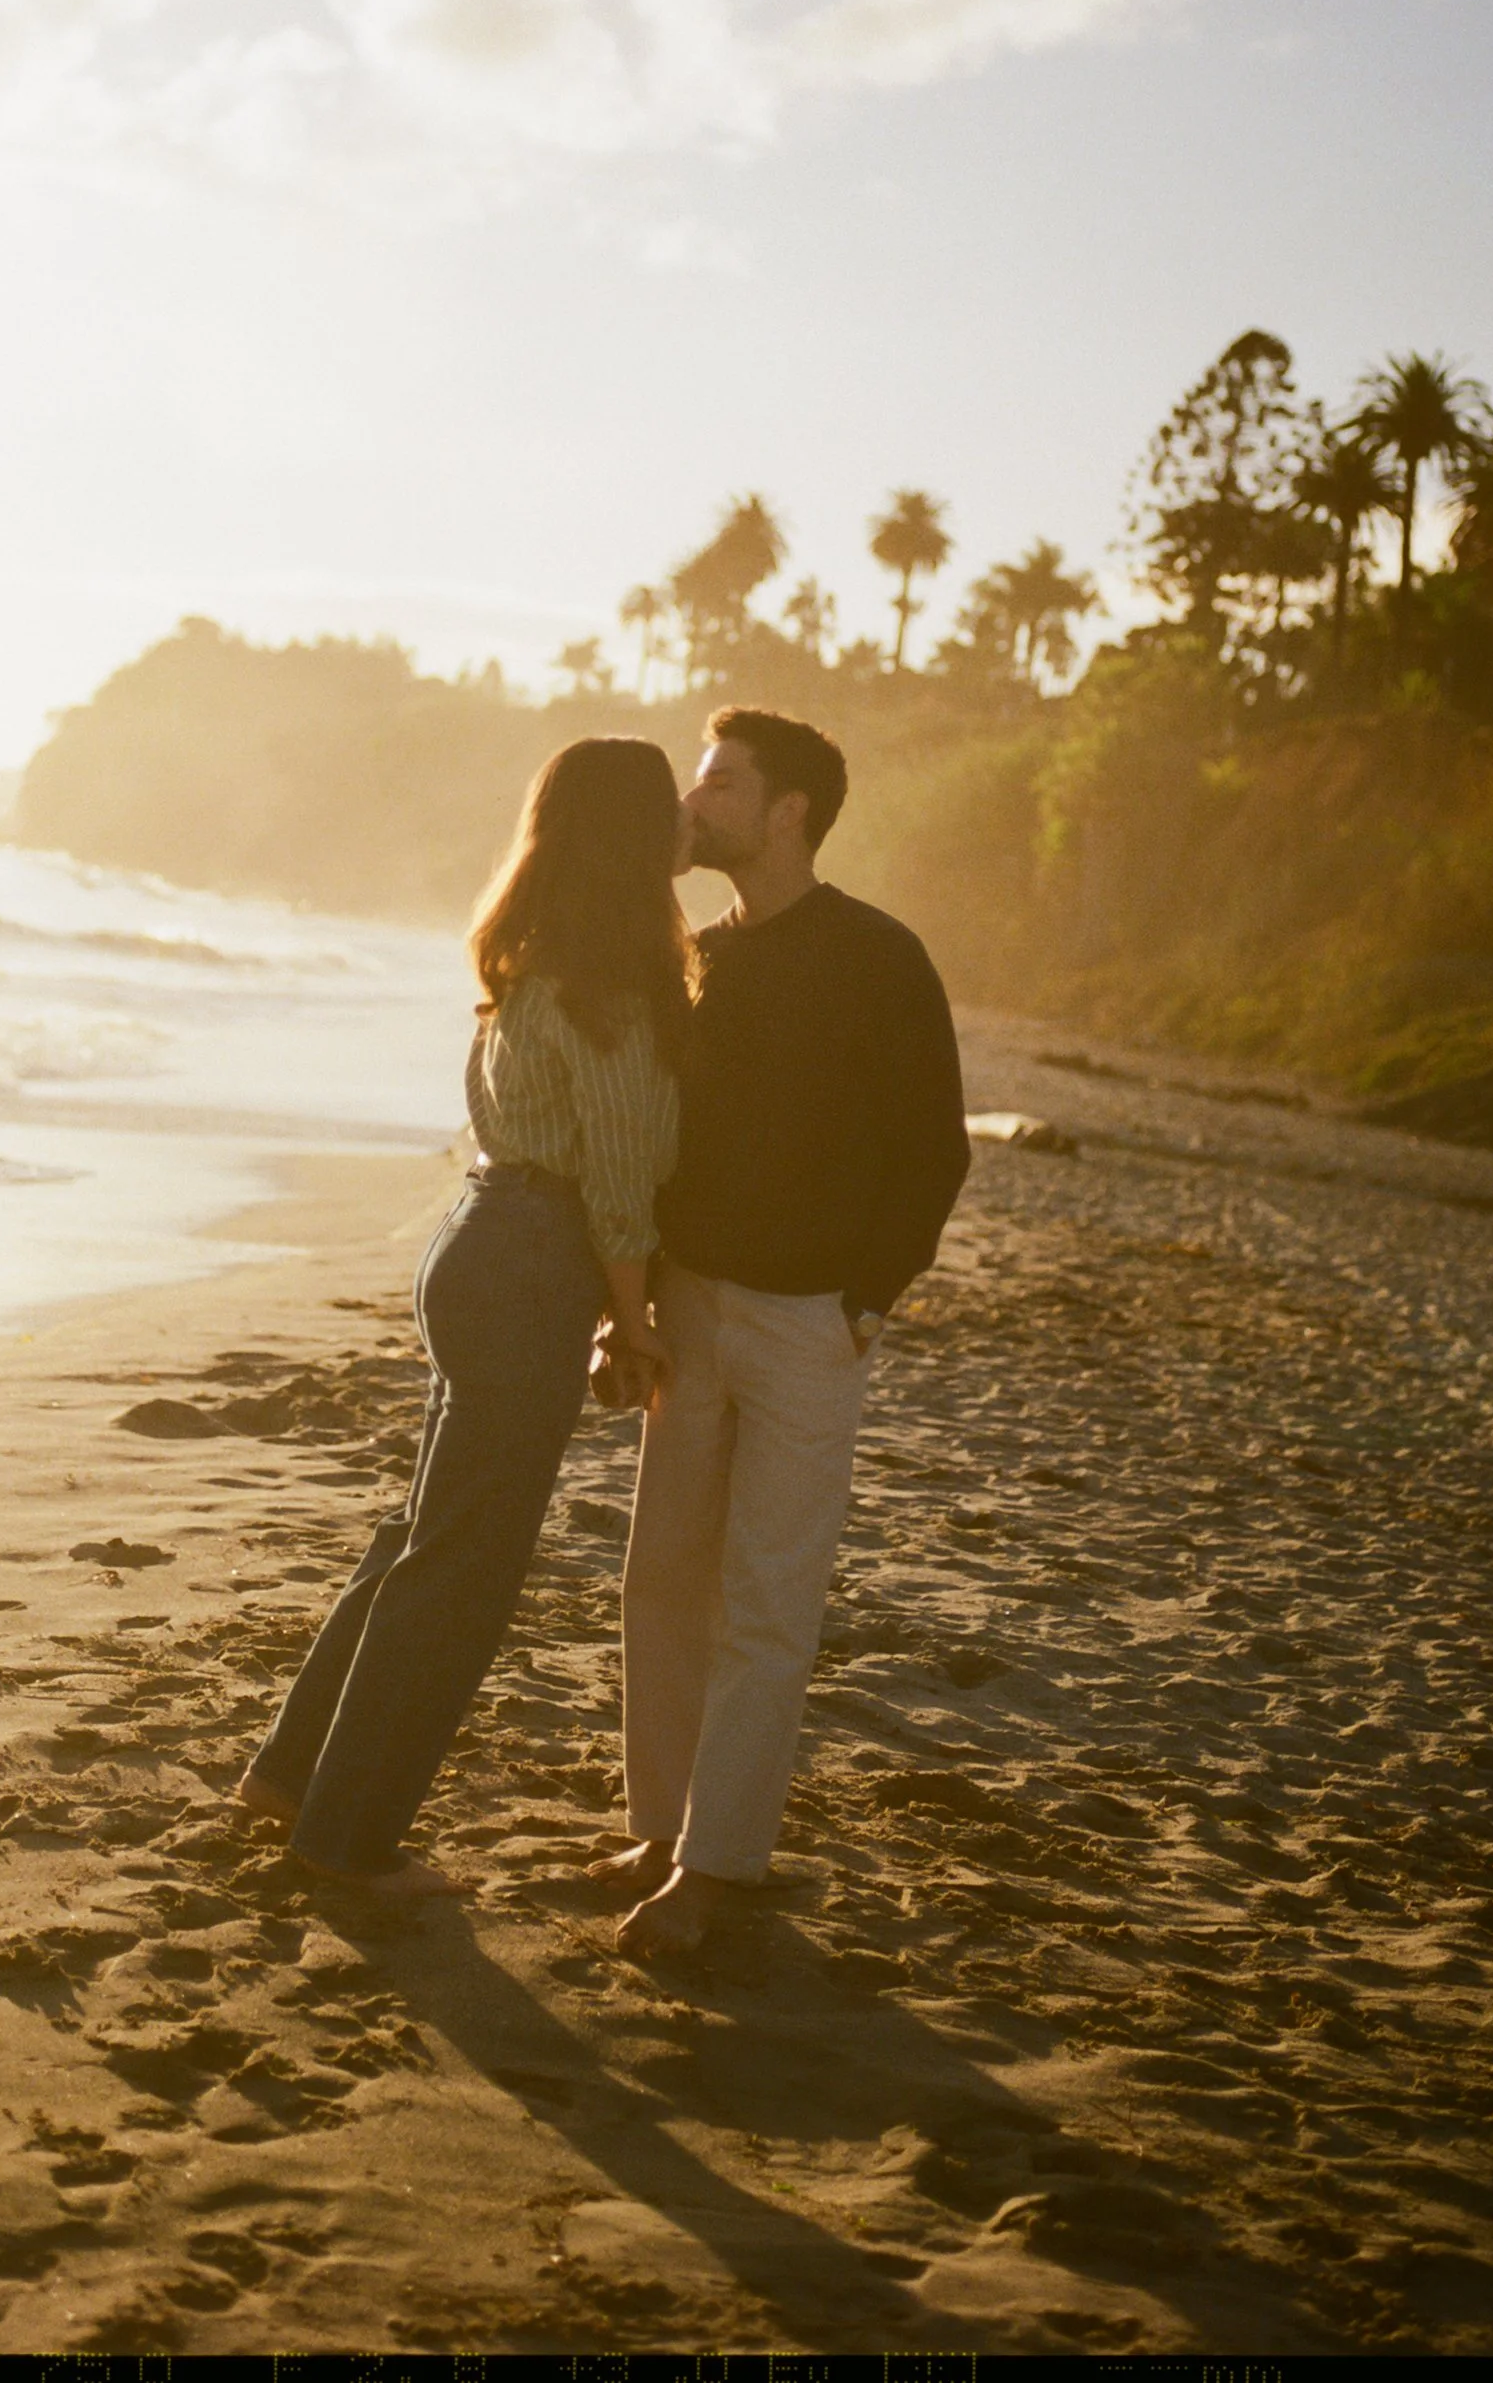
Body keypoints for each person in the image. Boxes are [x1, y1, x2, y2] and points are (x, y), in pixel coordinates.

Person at [232, 736, 691, 1896]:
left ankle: (291, 1777)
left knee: (418, 1536)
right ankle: (346, 1841)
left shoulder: (528, 962)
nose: (687, 817)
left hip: (473, 1242)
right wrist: (631, 1328)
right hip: (532, 1264)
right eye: (668, 806)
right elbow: (622, 1187)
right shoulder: (610, 994)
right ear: (635, 837)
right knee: (463, 1570)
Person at [591, 706, 970, 1955]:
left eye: (718, 786)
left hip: (813, 1324)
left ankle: (716, 1869)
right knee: (662, 1579)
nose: (692, 807)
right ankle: (658, 1831)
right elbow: (644, 1141)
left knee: (766, 1596)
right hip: (691, 1306)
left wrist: (865, 1303)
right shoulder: (697, 953)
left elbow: (933, 1149)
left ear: (789, 810)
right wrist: (633, 1305)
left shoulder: (877, 956)